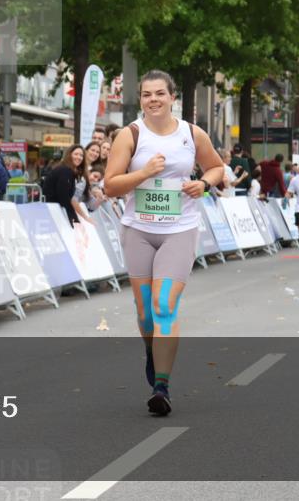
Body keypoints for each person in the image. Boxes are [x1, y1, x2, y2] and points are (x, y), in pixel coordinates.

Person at [103, 69, 224, 417]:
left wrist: (203, 184)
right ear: (140, 99)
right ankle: (152, 351)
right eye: (146, 94)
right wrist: (143, 173)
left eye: (159, 93)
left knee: (163, 305)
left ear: (173, 97)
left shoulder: (191, 133)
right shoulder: (130, 135)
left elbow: (216, 168)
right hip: (138, 231)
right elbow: (110, 185)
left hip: (179, 230)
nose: (153, 99)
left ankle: (162, 386)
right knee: (144, 313)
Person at [44, 145, 95, 225]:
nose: (79, 157)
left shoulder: (68, 171)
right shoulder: (65, 171)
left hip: (56, 212)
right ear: (69, 155)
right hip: (54, 213)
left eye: (81, 155)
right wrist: (75, 220)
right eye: (76, 154)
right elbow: (64, 198)